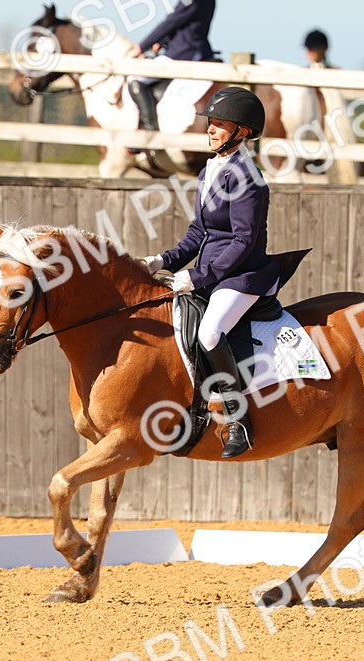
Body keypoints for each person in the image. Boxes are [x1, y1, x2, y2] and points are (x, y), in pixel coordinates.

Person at [143, 87, 275, 458]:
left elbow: (243, 241)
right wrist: (162, 261)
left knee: (209, 332)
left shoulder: (248, 178)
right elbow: (198, 233)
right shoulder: (210, 169)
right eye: (211, 122)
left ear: (242, 132)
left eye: (219, 124)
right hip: (212, 271)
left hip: (242, 276)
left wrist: (197, 277)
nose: (211, 129)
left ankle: (239, 420)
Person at [129, 0, 217, 133]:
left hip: (183, 53)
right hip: (189, 49)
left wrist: (142, 46)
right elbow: (184, 23)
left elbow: (172, 21)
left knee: (135, 78)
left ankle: (149, 128)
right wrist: (162, 41)